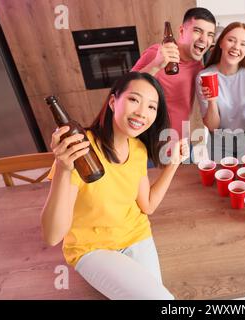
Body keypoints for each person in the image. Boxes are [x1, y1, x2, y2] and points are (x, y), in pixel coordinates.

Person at [41, 72, 189, 300]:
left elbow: (147, 205)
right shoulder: (80, 150)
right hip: (92, 248)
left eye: (152, 107)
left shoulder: (138, 148)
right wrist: (63, 167)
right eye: (134, 100)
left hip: (136, 235)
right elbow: (52, 236)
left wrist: (173, 165)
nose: (142, 112)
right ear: (113, 102)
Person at [131, 7, 216, 140]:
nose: (204, 39)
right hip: (151, 145)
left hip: (182, 143)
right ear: (182, 31)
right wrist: (155, 64)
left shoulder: (199, 67)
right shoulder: (157, 53)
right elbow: (123, 89)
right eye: (197, 31)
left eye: (210, 35)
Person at [196, 21, 245, 160]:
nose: (236, 47)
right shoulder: (204, 77)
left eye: (243, 44)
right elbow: (212, 127)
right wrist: (212, 101)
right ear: (221, 42)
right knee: (221, 180)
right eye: (231, 40)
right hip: (218, 140)